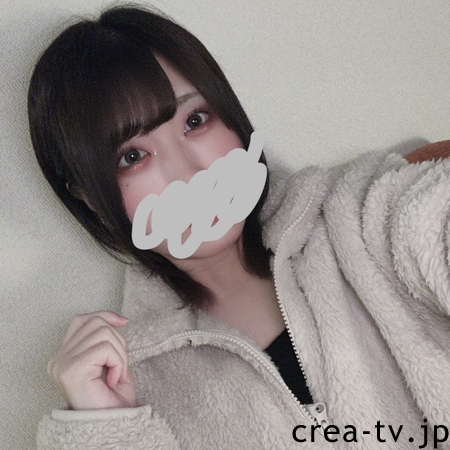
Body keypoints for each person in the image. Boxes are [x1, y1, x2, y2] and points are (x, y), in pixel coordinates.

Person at [29, 5, 450, 449]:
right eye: (132, 156)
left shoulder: (361, 212)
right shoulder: (129, 380)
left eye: (194, 121)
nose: (189, 172)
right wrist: (105, 428)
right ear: (90, 198)